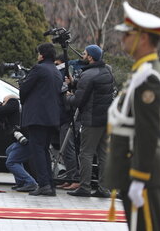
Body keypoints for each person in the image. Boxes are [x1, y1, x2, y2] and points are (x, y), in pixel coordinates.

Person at [106, 2, 160, 230]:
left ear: (144, 38)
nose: (123, 39)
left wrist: (139, 177)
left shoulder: (148, 77)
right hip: (131, 171)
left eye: (128, 34)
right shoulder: (140, 72)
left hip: (142, 175)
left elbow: (147, 132)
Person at [65, 45, 114, 198]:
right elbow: (94, 91)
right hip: (106, 119)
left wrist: (66, 96)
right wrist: (75, 84)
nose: (82, 55)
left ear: (91, 57)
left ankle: (84, 187)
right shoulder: (107, 71)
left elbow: (79, 100)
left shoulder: (89, 75)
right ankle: (104, 188)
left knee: (85, 153)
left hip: (92, 120)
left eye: (85, 54)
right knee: (103, 154)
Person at [19, 42, 62, 196]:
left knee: (37, 150)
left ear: (42, 55)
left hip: (37, 116)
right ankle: (49, 184)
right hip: (51, 117)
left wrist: (21, 82)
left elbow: (24, 90)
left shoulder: (38, 68)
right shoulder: (56, 71)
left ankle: (44, 184)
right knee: (44, 150)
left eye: (38, 53)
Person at [0, 94, 37, 192]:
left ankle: (30, 182)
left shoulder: (14, 103)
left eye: (4, 101)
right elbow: (1, 116)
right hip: (22, 139)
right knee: (9, 151)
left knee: (11, 162)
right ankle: (21, 182)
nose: (2, 104)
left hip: (25, 140)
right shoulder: (12, 109)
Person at [54, 54, 80, 190]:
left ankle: (76, 178)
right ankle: (70, 177)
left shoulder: (69, 74)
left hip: (70, 117)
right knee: (64, 150)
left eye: (57, 63)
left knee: (69, 148)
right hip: (64, 116)